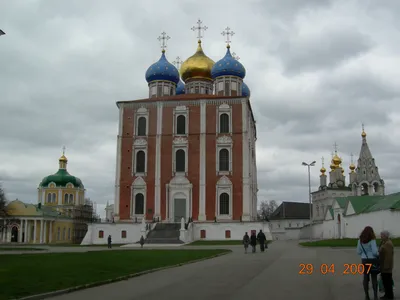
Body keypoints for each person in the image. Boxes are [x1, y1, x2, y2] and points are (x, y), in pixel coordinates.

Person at [357, 226, 379, 300]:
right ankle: (375, 296)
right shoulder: (372, 240)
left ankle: (367, 296)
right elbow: (375, 252)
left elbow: (358, 252)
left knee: (365, 278)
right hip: (372, 260)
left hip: (364, 260)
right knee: (374, 278)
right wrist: (378, 254)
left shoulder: (360, 240)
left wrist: (364, 253)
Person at [379, 230, 394, 299]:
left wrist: (386, 266)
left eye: (382, 235)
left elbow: (388, 256)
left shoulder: (388, 244)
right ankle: (387, 295)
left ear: (386, 236)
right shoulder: (384, 242)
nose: (380, 236)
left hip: (386, 266)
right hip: (383, 266)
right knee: (385, 282)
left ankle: (389, 296)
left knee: (388, 282)